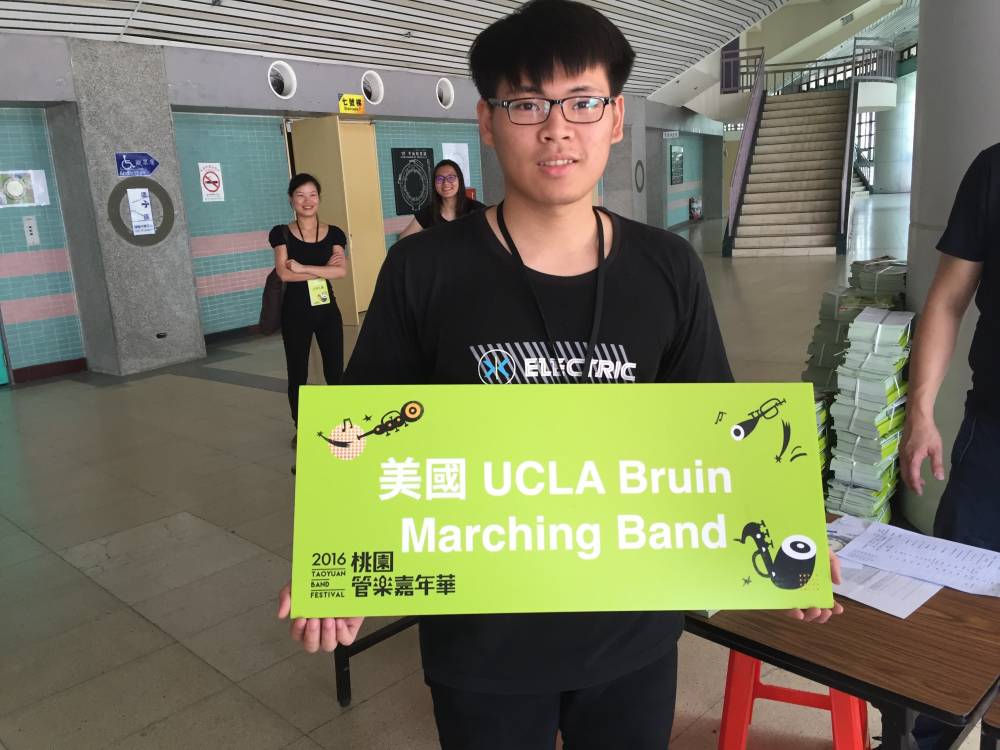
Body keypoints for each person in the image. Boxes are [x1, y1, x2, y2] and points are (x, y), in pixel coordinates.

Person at [277, 2, 841, 747]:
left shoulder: (666, 268)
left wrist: (790, 530)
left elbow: (720, 426)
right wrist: (331, 562)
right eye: (525, 104)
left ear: (614, 118)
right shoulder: (426, 270)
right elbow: (360, 426)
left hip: (632, 632)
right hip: (481, 637)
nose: (555, 128)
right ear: (486, 120)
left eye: (582, 102)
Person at [898, 146, 1000, 750]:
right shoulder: (995, 169)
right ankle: (935, 737)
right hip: (993, 439)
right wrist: (920, 412)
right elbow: (947, 298)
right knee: (957, 612)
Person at [269, 173, 349, 436]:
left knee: (335, 371)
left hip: (327, 311)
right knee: (298, 374)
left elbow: (340, 272)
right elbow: (284, 273)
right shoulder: (281, 234)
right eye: (300, 195)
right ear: (291, 199)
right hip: (295, 311)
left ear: (319, 198)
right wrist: (322, 270)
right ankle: (301, 428)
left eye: (312, 195)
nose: (307, 201)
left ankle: (340, 424)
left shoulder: (334, 233)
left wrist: (303, 267)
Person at [397, 158, 486, 239]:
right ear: (434, 184)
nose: (446, 183)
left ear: (460, 180)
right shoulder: (429, 212)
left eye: (451, 178)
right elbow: (403, 238)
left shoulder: (476, 210)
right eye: (440, 179)